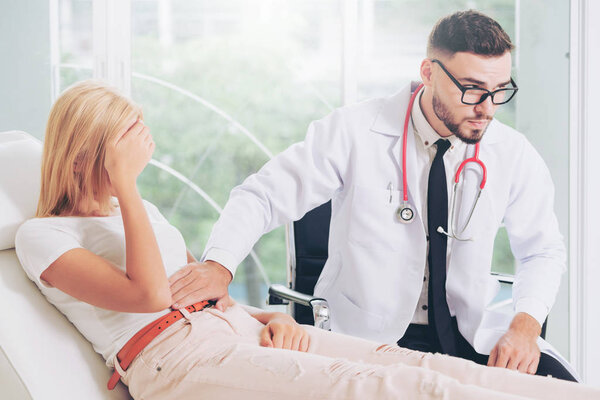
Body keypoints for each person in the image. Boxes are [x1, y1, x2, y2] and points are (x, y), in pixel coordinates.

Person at [15, 81, 600, 399]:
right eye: (124, 148)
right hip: (175, 359)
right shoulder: (42, 236)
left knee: (429, 368)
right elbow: (147, 298)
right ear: (89, 151)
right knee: (404, 388)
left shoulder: (142, 222)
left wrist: (269, 316)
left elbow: (201, 299)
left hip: (235, 332)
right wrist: (128, 185)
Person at [169, 10, 578, 382]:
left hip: (469, 337)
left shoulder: (511, 152)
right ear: (428, 72)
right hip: (368, 341)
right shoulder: (355, 131)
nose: (486, 109)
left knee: (562, 385)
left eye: (498, 91)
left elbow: (542, 250)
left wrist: (526, 324)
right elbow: (263, 196)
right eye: (471, 89)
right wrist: (218, 265)